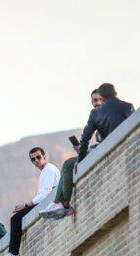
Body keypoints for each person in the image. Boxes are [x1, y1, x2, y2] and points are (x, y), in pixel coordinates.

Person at [40, 84, 134, 220]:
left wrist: (81, 159)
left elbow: (85, 138)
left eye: (98, 99)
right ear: (115, 93)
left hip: (105, 151)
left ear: (102, 97)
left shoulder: (96, 113)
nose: (97, 103)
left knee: (68, 164)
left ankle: (63, 204)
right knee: (68, 165)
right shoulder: (128, 107)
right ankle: (58, 203)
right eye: (94, 101)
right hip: (118, 146)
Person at [0, 147, 60, 256]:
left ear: (44, 157)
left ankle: (13, 254)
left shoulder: (49, 170)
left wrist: (25, 205)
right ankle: (12, 254)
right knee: (16, 218)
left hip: (50, 201)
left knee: (15, 219)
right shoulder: (45, 171)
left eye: (38, 157)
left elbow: (44, 195)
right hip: (47, 201)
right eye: (33, 159)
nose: (36, 160)